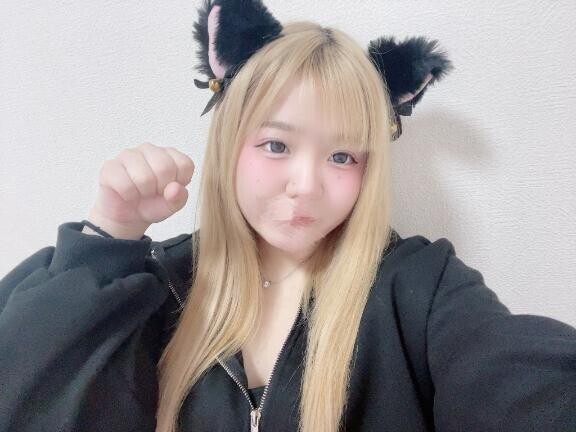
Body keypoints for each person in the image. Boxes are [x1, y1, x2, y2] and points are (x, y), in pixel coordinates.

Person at [1, 1, 575, 431]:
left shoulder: (421, 288)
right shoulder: (156, 284)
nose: (306, 185)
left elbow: (521, 378)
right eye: (276, 145)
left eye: (342, 156)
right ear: (230, 142)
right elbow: (25, 396)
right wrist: (109, 237)